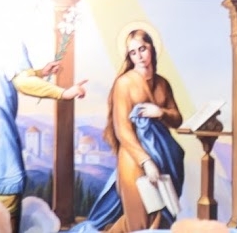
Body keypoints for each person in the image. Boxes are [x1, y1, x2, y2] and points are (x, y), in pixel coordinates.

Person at [0, 47, 88, 232]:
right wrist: (64, 93)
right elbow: (22, 81)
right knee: (8, 186)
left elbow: (10, 73)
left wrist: (39, 72)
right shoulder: (10, 40)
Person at [73, 29, 185, 232]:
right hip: (134, 158)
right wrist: (146, 161)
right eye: (133, 52)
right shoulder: (124, 84)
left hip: (164, 156)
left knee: (160, 220)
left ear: (152, 48)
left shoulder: (162, 83)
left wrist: (160, 112)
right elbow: (122, 130)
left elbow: (177, 119)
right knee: (138, 221)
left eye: (142, 49)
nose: (139, 56)